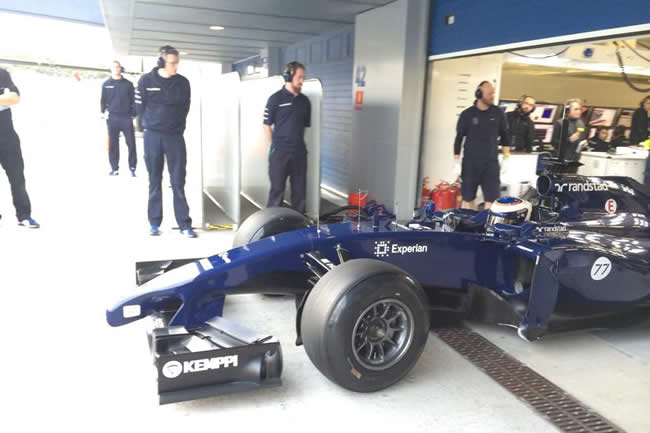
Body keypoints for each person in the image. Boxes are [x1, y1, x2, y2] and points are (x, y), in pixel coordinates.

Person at [135, 46, 195, 237]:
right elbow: (139, 108)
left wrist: (175, 127)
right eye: (172, 63)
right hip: (153, 136)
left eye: (177, 62)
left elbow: (185, 108)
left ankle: (185, 224)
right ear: (161, 62)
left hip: (175, 137)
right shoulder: (145, 81)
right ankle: (154, 223)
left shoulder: (183, 83)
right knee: (154, 180)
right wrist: (147, 126)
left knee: (178, 182)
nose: (175, 66)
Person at [263, 61, 311, 214]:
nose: (302, 80)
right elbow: (266, 125)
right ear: (289, 76)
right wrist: (276, 146)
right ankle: (272, 225)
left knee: (300, 192)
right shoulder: (274, 99)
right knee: (277, 191)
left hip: (299, 153)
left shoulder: (305, 101)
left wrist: (296, 143)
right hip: (279, 153)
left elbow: (304, 127)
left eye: (303, 77)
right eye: (299, 77)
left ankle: (298, 226)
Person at [453, 80, 510, 210]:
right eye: (490, 93)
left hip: (490, 164)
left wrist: (506, 157)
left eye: (493, 93)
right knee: (467, 200)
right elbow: (459, 138)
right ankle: (467, 228)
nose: (493, 96)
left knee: (492, 201)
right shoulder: (467, 114)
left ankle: (485, 229)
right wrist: (456, 162)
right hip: (470, 164)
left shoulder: (498, 113)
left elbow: (505, 137)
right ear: (479, 93)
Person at [0, 67, 39, 228]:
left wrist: (6, 98)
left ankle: (24, 215)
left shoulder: (2, 74)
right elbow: (6, 98)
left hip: (7, 138)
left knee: (17, 179)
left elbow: (14, 97)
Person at [101, 60, 137, 176]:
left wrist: (133, 114)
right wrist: (102, 112)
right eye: (114, 67)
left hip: (126, 117)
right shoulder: (106, 84)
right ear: (111, 69)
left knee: (131, 143)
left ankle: (132, 167)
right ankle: (114, 168)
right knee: (113, 144)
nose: (116, 69)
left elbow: (134, 101)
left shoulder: (128, 84)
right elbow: (103, 100)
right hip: (112, 118)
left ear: (120, 69)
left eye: (118, 67)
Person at [551, 98, 587, 172]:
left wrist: (584, 144)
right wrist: (569, 140)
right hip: (561, 162)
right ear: (568, 110)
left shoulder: (581, 124)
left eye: (580, 109)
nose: (579, 112)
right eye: (576, 109)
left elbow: (581, 139)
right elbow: (554, 142)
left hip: (574, 161)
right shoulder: (560, 123)